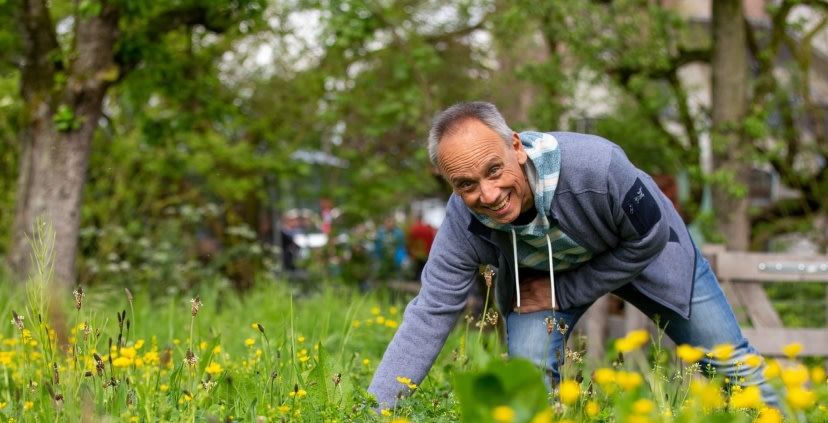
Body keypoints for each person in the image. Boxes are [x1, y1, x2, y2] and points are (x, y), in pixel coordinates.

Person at [367, 101, 780, 409]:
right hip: (539, 283)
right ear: (450, 184)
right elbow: (431, 311)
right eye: (466, 184)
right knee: (526, 384)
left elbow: (653, 235)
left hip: (644, 255)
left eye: (494, 170)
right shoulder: (463, 222)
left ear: (516, 146)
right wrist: (373, 413)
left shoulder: (598, 167)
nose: (488, 195)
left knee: (729, 362)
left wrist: (565, 289)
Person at [373, 215, 408, 282]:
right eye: (388, 222)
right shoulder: (380, 234)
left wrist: (400, 259)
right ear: (384, 223)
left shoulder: (398, 234)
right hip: (383, 260)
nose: (390, 223)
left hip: (396, 261)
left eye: (391, 221)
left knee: (396, 279)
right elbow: (377, 247)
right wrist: (378, 258)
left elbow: (401, 247)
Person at [405, 213, 436, 282]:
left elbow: (408, 242)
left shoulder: (412, 229)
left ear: (416, 219)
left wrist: (408, 252)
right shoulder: (428, 229)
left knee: (415, 271)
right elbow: (431, 241)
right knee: (423, 270)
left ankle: (414, 282)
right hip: (425, 253)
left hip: (414, 254)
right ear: (422, 219)